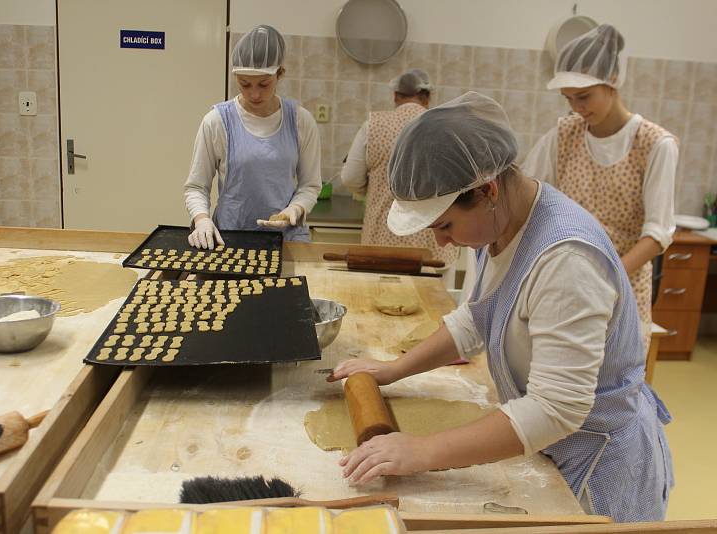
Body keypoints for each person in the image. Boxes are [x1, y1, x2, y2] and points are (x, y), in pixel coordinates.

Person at [330, 92, 673, 522]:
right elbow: (478, 316)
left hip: (595, 469)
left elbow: (555, 409)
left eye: (445, 225)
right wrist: (394, 369)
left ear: (488, 190)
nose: (440, 242)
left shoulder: (566, 261)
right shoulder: (500, 225)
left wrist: (422, 451)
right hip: (550, 445)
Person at [523, 24, 678, 351]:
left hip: (621, 289)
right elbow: (528, 194)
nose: (577, 108)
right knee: (558, 385)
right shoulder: (565, 134)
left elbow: (657, 235)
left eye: (584, 96)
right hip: (564, 284)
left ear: (613, 81)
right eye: (568, 99)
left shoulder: (654, 144)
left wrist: (607, 278)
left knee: (611, 388)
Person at [184, 25, 321, 248]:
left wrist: (295, 209)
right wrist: (202, 219)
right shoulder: (217, 121)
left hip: (286, 241)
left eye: (264, 84)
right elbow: (196, 187)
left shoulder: (300, 121)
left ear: (280, 74)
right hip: (231, 238)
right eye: (245, 84)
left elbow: (310, 185)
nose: (254, 94)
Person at [340, 69, 458, 268]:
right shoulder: (445, 127)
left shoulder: (374, 125)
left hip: (382, 239)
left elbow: (350, 177)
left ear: (395, 95)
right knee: (430, 298)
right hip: (432, 242)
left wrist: (373, 191)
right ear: (427, 97)